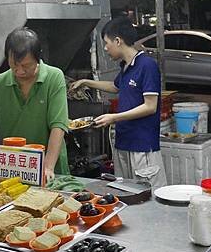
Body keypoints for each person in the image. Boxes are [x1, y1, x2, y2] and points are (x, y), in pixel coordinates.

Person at [71, 17, 167, 189]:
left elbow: (150, 106)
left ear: (118, 40)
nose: (106, 48)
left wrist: (114, 117)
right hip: (123, 142)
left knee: (147, 194)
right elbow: (115, 87)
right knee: (125, 191)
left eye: (107, 43)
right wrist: (86, 82)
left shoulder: (147, 65)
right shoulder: (125, 66)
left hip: (142, 145)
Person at [0, 27, 69, 181]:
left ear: (37, 58)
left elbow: (58, 126)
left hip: (50, 170)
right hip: (12, 170)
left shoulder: (54, 77)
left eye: (26, 66)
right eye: (14, 65)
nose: (19, 71)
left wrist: (48, 167)